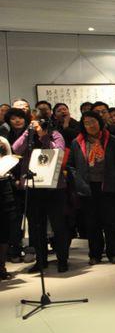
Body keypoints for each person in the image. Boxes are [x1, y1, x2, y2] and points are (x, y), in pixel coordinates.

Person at [12, 117, 70, 273]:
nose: (37, 127)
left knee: (58, 225)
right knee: (36, 226)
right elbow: (16, 149)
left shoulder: (55, 135)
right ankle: (41, 260)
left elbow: (58, 152)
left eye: (40, 124)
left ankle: (62, 259)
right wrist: (27, 132)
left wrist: (44, 136)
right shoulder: (29, 136)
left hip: (54, 187)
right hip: (34, 186)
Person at [67, 111, 115, 265]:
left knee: (110, 221)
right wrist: (78, 180)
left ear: (99, 122)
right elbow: (71, 165)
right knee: (92, 222)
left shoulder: (111, 140)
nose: (91, 125)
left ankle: (113, 252)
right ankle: (95, 254)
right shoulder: (77, 142)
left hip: (107, 185)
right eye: (87, 123)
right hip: (87, 186)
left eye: (93, 122)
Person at [2, 108, 31, 263]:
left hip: (31, 179)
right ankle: (14, 250)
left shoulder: (32, 134)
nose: (17, 121)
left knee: (32, 217)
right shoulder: (5, 137)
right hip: (12, 182)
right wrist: (15, 180)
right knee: (14, 218)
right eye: (13, 118)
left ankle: (31, 248)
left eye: (20, 117)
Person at [0, 135, 16, 280]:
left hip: (3, 185)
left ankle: (1, 267)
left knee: (4, 228)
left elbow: (9, 161)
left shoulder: (2, 141)